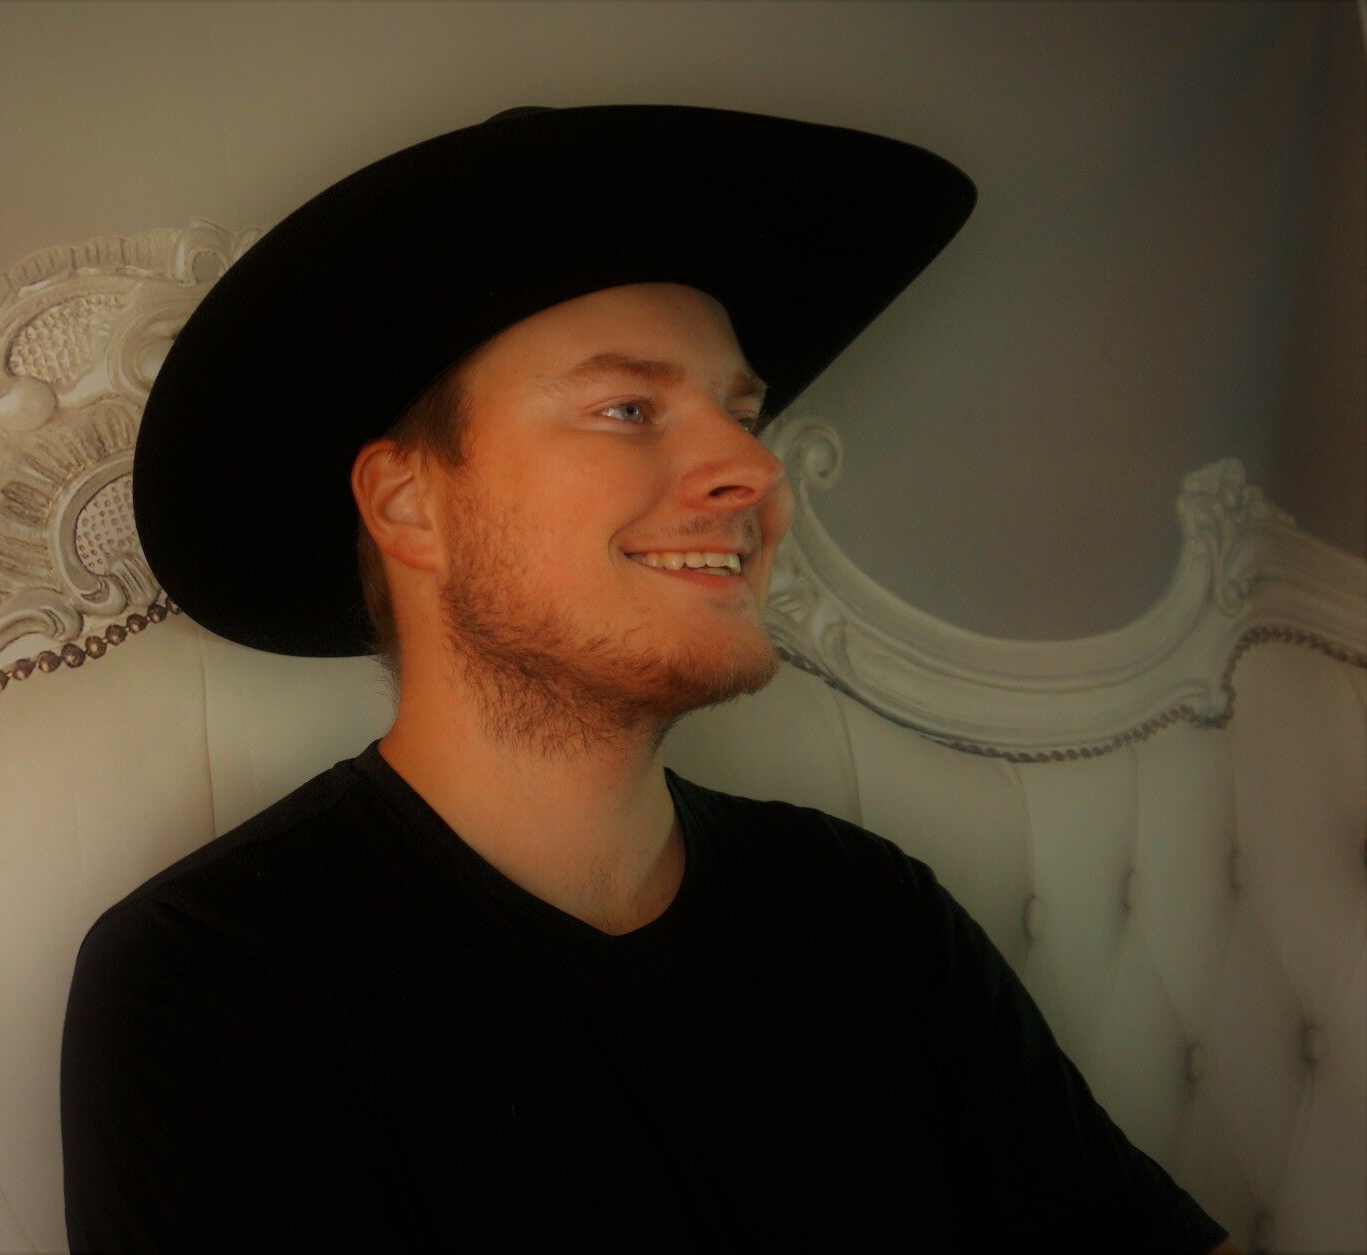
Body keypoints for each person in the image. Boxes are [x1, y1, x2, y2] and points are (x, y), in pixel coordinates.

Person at [61, 106, 1235, 1253]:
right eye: (627, 408)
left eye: (741, 413)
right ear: (408, 504)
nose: (752, 468)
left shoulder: (867, 914)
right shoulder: (220, 980)